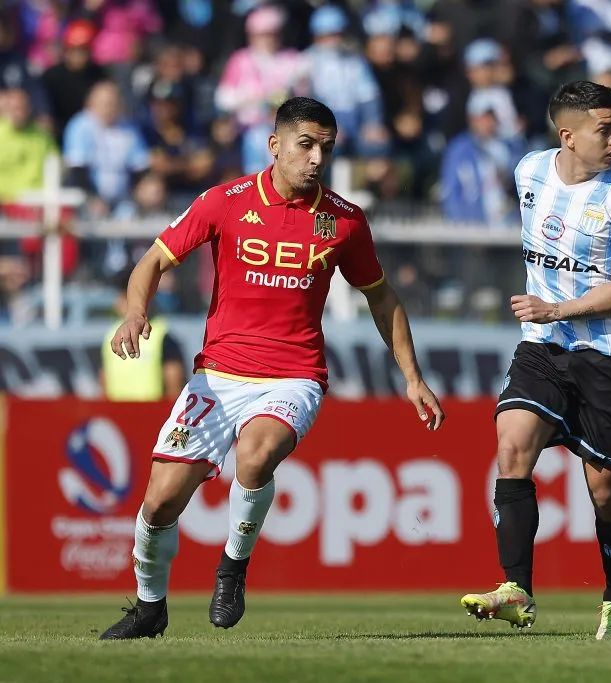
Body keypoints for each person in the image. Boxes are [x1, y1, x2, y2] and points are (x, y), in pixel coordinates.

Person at [99, 97, 445, 640]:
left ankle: (232, 569)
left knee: (255, 455)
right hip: (217, 375)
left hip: (294, 375)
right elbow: (154, 260)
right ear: (275, 145)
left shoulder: (344, 221)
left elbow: (382, 298)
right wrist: (137, 312)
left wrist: (412, 376)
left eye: (325, 148)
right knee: (159, 501)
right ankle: (149, 608)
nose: (315, 159)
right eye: (305, 145)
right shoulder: (225, 202)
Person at [459, 81, 611, 640]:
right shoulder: (529, 172)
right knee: (512, 442)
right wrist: (547, 318)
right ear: (568, 135)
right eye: (606, 129)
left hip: (608, 355)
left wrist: (557, 308)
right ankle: (516, 589)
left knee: (604, 492)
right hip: (544, 347)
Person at [100, 269, 186, 401]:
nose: (117, 303)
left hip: (152, 415)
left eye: (123, 297)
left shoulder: (161, 334)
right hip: (117, 415)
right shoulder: (110, 334)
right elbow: (104, 377)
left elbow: (174, 380)